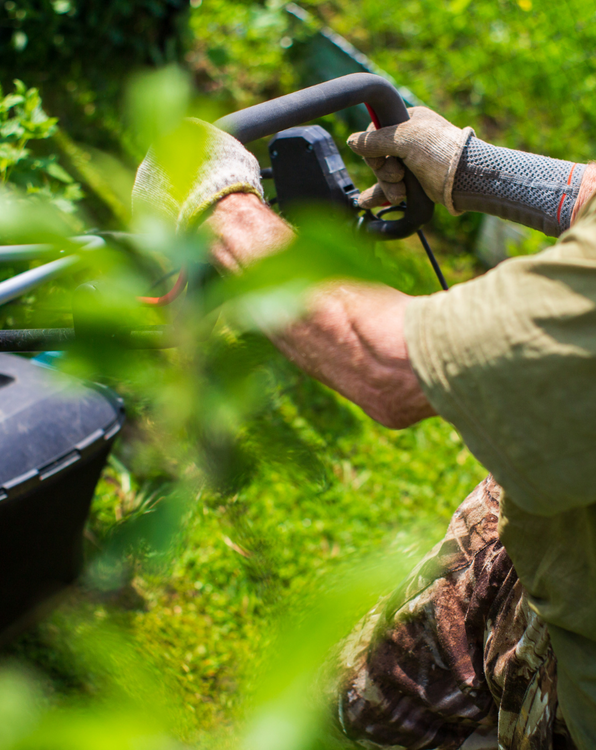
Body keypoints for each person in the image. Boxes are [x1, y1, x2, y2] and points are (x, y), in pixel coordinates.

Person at [132, 105, 596, 750]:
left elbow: (387, 363)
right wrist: (482, 170)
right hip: (556, 517)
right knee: (362, 707)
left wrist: (220, 209)